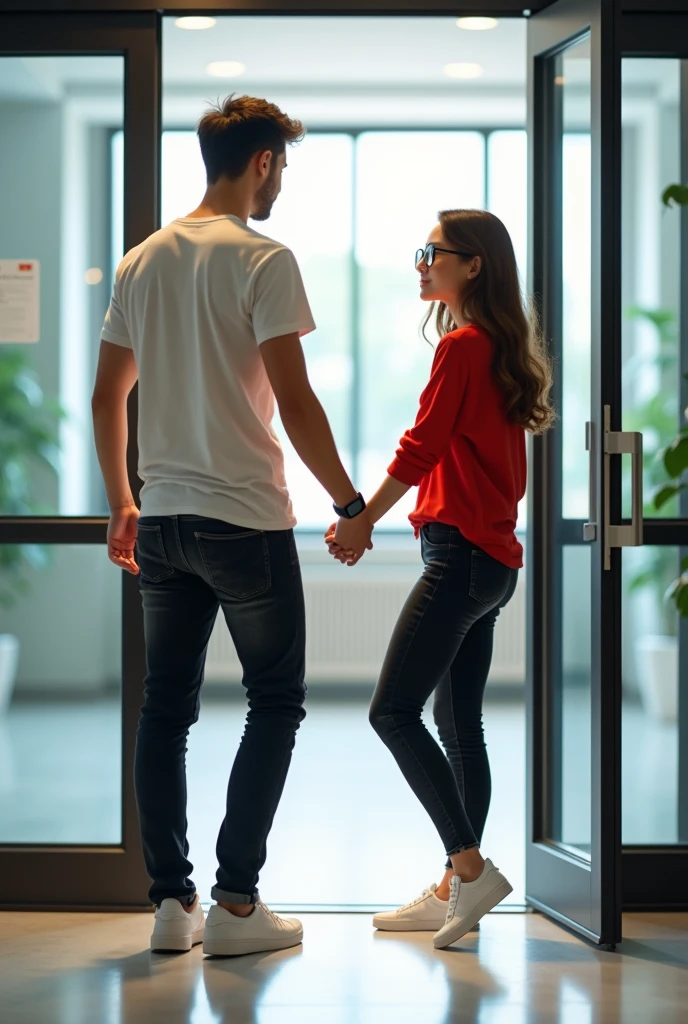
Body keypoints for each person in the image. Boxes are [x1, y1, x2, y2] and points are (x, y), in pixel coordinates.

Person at [92, 94, 372, 957]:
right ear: (261, 163)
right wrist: (350, 503)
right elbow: (295, 401)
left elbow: (110, 394)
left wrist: (121, 500)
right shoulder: (264, 257)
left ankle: (172, 907)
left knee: (163, 710)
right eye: (280, 166)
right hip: (245, 522)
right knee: (275, 703)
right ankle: (237, 907)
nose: (280, 181)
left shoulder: (143, 260)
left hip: (165, 519)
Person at [327, 209, 554, 949]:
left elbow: (420, 446)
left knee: (392, 712)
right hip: (491, 563)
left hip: (458, 559)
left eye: (433, 253)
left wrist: (359, 519)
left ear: (473, 265)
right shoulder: (501, 348)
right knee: (460, 727)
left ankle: (469, 867)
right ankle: (458, 887)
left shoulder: (463, 346)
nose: (420, 263)